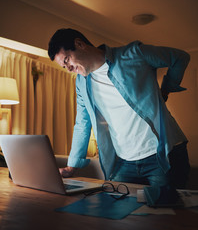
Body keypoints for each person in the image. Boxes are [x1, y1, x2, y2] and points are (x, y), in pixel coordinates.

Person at [48, 28, 190, 188]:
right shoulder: (81, 83)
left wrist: (165, 90)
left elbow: (180, 58)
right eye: (63, 67)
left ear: (79, 44)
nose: (69, 69)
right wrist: (71, 166)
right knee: (114, 208)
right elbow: (82, 123)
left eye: (67, 60)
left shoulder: (134, 54)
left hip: (163, 153)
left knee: (168, 212)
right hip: (124, 162)